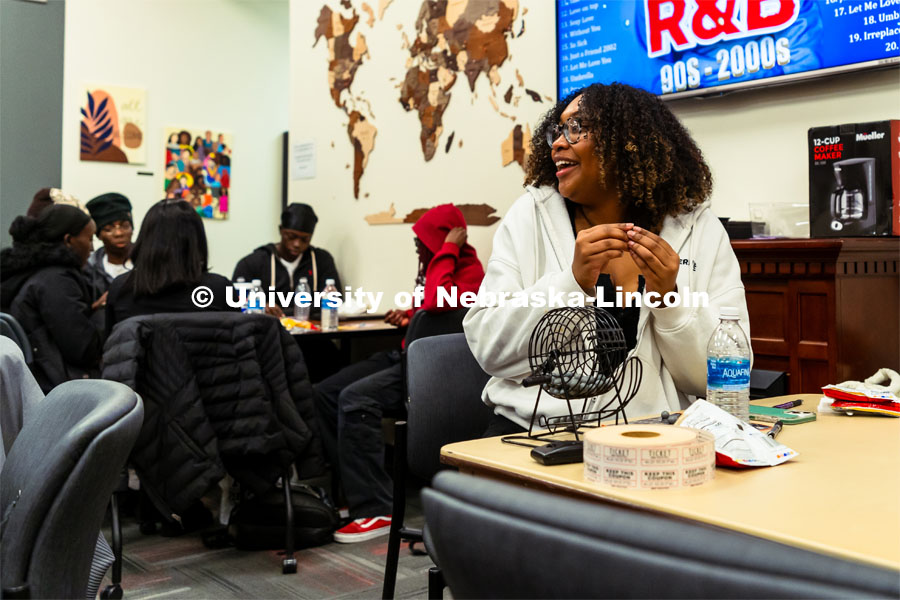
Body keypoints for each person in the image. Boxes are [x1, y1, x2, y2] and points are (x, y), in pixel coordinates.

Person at [463, 83, 750, 437]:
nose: (557, 143)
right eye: (558, 128)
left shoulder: (697, 228)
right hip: (534, 437)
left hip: (655, 440)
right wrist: (572, 284)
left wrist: (669, 301)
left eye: (576, 128)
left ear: (627, 142)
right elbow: (490, 349)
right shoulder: (530, 216)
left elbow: (722, 375)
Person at [314, 204, 485, 543]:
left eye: (424, 242)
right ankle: (357, 487)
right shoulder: (439, 264)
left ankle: (376, 508)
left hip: (430, 370)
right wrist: (409, 313)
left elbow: (439, 300)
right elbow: (430, 307)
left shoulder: (472, 271)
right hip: (405, 354)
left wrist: (448, 249)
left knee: (355, 398)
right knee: (324, 392)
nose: (419, 249)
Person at [0, 204, 103, 392]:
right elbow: (83, 350)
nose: (92, 248)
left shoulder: (32, 272)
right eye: (89, 239)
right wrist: (104, 309)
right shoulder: (56, 281)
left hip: (35, 386)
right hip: (58, 392)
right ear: (69, 240)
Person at [105, 199, 238, 336]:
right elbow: (239, 345)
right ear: (196, 241)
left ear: (145, 240)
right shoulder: (221, 289)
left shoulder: (121, 288)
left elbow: (112, 349)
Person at [233, 203, 340, 318]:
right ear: (280, 230)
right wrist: (259, 306)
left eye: (305, 239)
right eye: (291, 236)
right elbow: (234, 304)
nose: (297, 244)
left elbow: (335, 301)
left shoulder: (321, 260)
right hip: (268, 332)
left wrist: (285, 313)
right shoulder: (253, 263)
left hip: (311, 331)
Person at [84, 193, 134, 310]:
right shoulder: (88, 270)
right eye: (108, 229)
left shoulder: (148, 263)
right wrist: (97, 306)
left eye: (125, 226)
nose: (119, 233)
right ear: (98, 235)